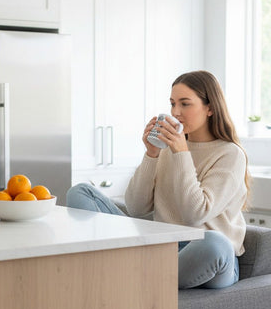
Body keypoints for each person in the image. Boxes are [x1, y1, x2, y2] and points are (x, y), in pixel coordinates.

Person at [67, 70, 249, 289]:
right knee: (80, 193)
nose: (175, 112)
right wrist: (151, 154)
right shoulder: (167, 147)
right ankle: (139, 271)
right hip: (160, 247)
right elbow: (136, 209)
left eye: (185, 104)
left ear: (210, 108)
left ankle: (128, 272)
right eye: (172, 104)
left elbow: (195, 214)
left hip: (205, 254)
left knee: (216, 243)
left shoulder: (230, 154)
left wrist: (181, 153)